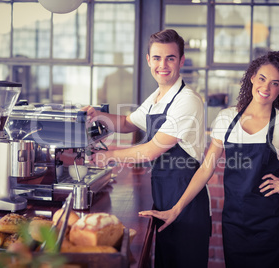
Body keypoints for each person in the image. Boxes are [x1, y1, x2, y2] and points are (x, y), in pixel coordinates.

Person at [139, 51, 279, 267]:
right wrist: (176, 209)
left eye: (275, 83)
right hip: (235, 224)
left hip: (272, 226)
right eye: (262, 79)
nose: (265, 88)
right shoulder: (227, 118)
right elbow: (205, 170)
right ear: (252, 78)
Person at [82, 29, 211, 268]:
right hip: (164, 197)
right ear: (148, 60)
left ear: (181, 61)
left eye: (170, 58)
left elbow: (151, 150)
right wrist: (99, 115)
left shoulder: (187, 100)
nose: (163, 64)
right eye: (157, 58)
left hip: (186, 202)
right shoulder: (157, 97)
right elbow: (128, 123)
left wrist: (108, 156)